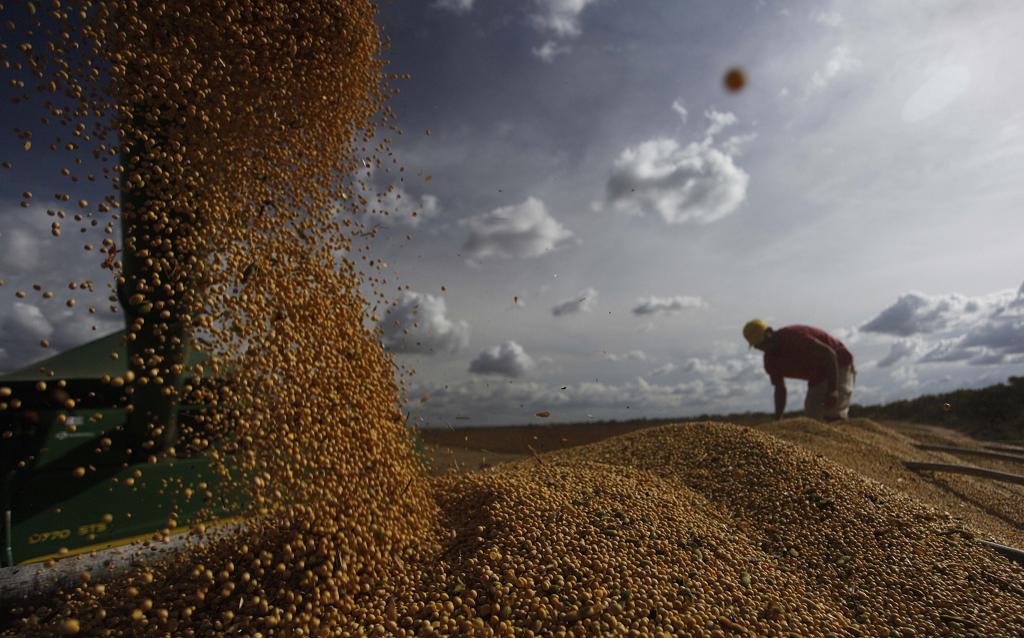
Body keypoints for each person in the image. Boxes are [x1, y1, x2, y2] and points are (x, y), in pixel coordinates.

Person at [743, 319, 856, 422]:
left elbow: (829, 354)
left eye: (763, 343)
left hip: (839, 363)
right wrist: (778, 417)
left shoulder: (793, 337)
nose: (763, 348)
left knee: (833, 413)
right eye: (758, 346)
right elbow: (780, 388)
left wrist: (833, 390)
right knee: (813, 418)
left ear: (769, 333)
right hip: (817, 375)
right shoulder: (770, 360)